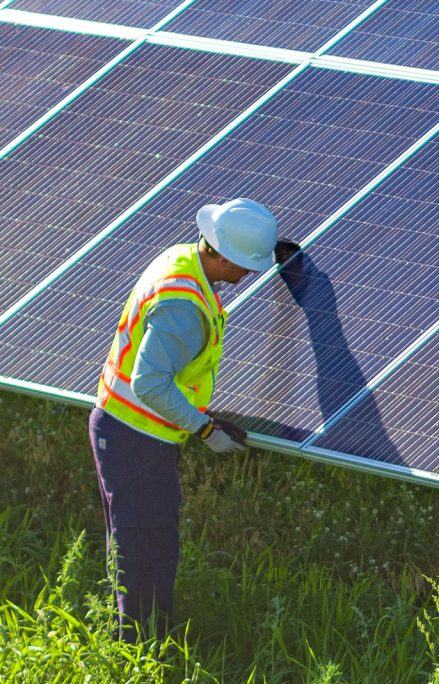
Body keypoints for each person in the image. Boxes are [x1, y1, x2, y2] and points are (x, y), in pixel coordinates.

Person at [88, 198, 299, 641]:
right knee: (147, 548)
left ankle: (135, 639)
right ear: (220, 255)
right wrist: (204, 428)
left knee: (138, 541)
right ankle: (142, 651)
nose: (248, 276)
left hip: (131, 432)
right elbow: (150, 384)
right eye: (244, 264)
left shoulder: (185, 258)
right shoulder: (183, 308)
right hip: (135, 437)